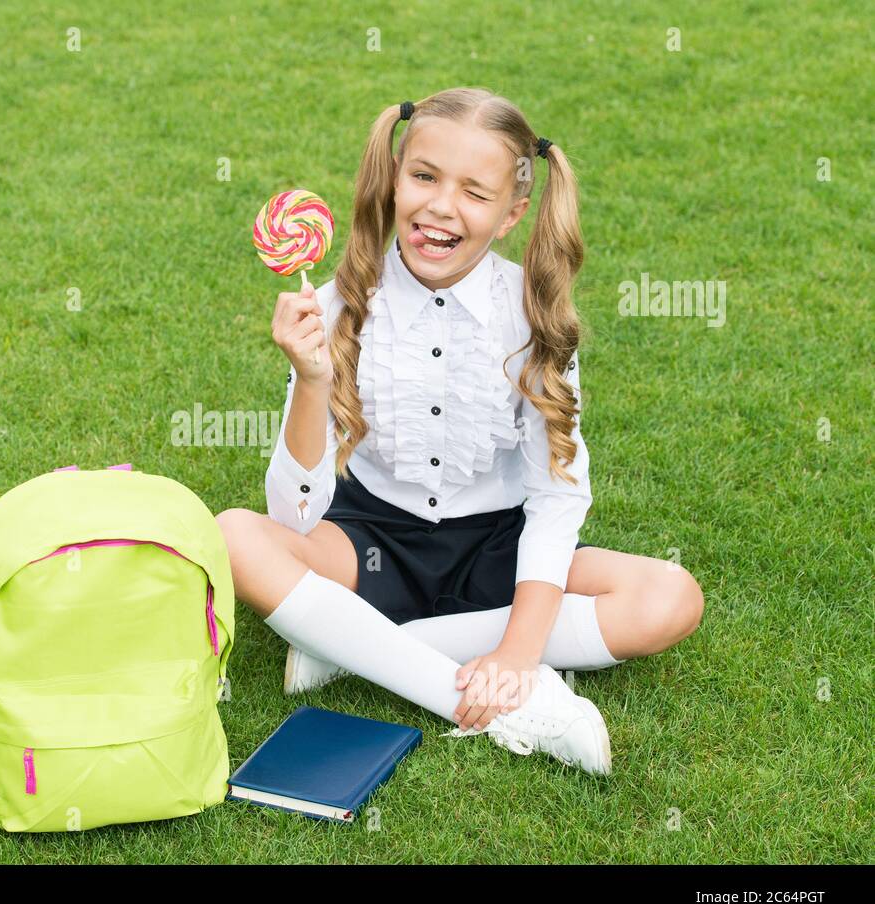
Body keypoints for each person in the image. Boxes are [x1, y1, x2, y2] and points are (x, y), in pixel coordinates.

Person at [216, 88, 705, 775]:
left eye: (474, 192)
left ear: (510, 214)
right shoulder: (334, 307)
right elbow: (291, 517)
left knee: (670, 597)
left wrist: (518, 648)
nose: (441, 206)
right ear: (394, 179)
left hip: (497, 551)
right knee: (235, 534)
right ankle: (484, 700)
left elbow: (556, 498)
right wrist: (311, 378)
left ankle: (351, 645)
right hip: (369, 544)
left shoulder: (535, 321)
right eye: (424, 177)